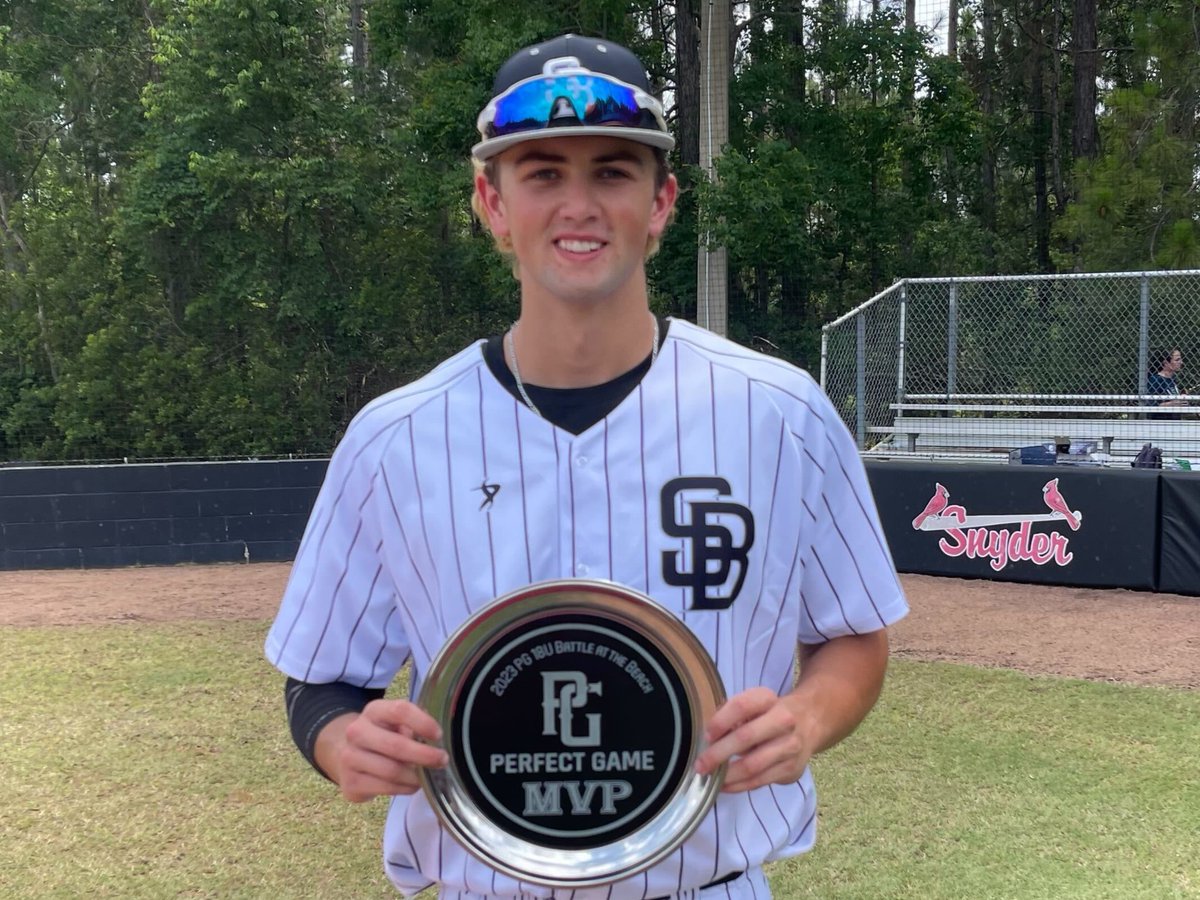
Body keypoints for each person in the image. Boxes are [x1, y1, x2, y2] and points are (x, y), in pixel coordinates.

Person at [265, 33, 908, 900]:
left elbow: (853, 637)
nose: (580, 204)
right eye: (542, 174)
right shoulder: (395, 437)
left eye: (612, 172)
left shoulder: (782, 415)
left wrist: (807, 716)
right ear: (492, 204)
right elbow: (322, 682)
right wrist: (342, 743)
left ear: (661, 202)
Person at [1146, 348, 1187, 420]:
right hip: (1160, 422)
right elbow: (1151, 406)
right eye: (1177, 360)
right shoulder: (1156, 380)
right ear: (1166, 363)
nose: (1181, 362)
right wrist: (1172, 404)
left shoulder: (1173, 379)